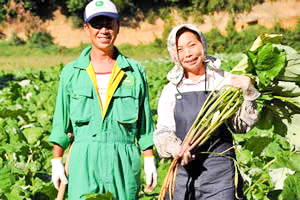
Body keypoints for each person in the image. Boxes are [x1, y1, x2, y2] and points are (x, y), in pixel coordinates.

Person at [49, 0, 157, 199]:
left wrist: (149, 157)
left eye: (109, 24)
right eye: (97, 24)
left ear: (118, 27)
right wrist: (56, 160)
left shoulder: (134, 71)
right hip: (84, 160)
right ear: (86, 29)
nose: (103, 30)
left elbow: (145, 125)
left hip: (123, 160)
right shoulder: (71, 72)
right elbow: (61, 123)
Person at [153, 24, 260, 199]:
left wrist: (249, 94)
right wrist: (175, 148)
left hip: (220, 175)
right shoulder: (171, 89)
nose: (188, 53)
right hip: (183, 176)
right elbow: (162, 132)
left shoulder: (223, 81)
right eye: (180, 49)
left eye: (192, 45)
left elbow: (241, 126)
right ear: (175, 54)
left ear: (203, 45)